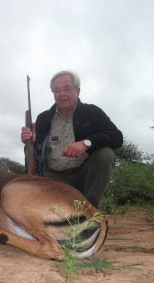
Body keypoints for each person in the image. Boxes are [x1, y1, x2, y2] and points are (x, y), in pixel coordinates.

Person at [21, 70, 123, 208]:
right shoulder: (43, 118)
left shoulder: (92, 112)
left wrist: (86, 143)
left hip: (83, 176)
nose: (62, 94)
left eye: (67, 89)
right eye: (57, 90)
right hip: (53, 179)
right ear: (53, 94)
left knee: (106, 154)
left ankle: (89, 211)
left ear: (78, 91)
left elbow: (117, 137)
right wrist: (30, 142)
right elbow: (35, 154)